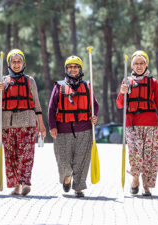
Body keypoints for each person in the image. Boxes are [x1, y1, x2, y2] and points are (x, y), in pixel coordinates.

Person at [116, 50, 158, 196]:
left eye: (142, 63)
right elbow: (120, 105)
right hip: (132, 125)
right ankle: (135, 178)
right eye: (136, 63)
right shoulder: (126, 82)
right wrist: (122, 92)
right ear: (132, 65)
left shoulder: (152, 82)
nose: (139, 66)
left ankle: (146, 185)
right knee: (135, 153)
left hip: (150, 124)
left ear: (146, 64)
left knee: (149, 156)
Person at [0, 49, 46, 196]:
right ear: (9, 64)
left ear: (23, 63)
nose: (16, 64)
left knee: (26, 155)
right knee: (11, 157)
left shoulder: (30, 81)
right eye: (13, 62)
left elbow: (36, 104)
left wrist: (41, 125)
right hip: (8, 125)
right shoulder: (2, 81)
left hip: (28, 123)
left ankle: (25, 183)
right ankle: (15, 185)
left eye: (19, 62)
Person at [48, 56, 99, 198]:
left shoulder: (88, 86)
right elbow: (52, 108)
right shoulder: (59, 86)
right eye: (70, 67)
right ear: (66, 69)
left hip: (84, 129)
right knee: (64, 163)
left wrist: (95, 117)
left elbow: (94, 105)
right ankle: (66, 177)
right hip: (63, 130)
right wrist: (52, 126)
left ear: (80, 69)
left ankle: (78, 187)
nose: (73, 69)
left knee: (81, 161)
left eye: (76, 66)